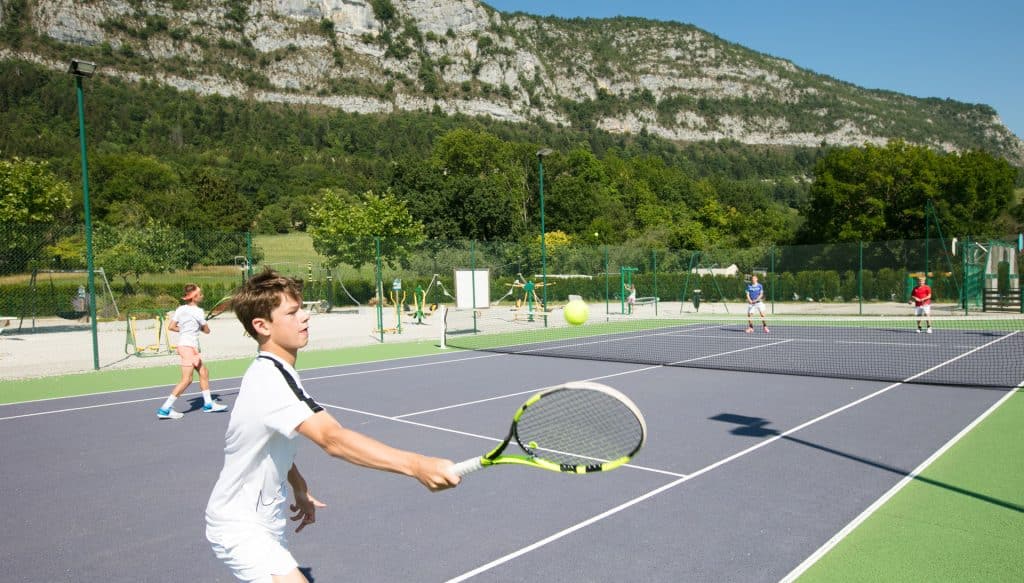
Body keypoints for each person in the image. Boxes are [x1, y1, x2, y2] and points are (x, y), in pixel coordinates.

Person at [205, 269, 459, 582]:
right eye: (293, 312)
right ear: (262, 326)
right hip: (240, 524)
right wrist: (417, 465)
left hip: (265, 521)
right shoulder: (270, 380)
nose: (305, 317)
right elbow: (332, 439)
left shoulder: (274, 371)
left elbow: (270, 444)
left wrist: (299, 486)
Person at [158, 284, 227, 419]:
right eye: (200, 294)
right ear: (194, 297)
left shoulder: (180, 309)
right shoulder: (199, 312)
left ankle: (208, 404)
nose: (202, 296)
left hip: (187, 347)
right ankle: (165, 408)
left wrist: (186, 330)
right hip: (188, 348)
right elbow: (207, 331)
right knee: (187, 380)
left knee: (204, 372)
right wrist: (201, 327)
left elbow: (172, 327)